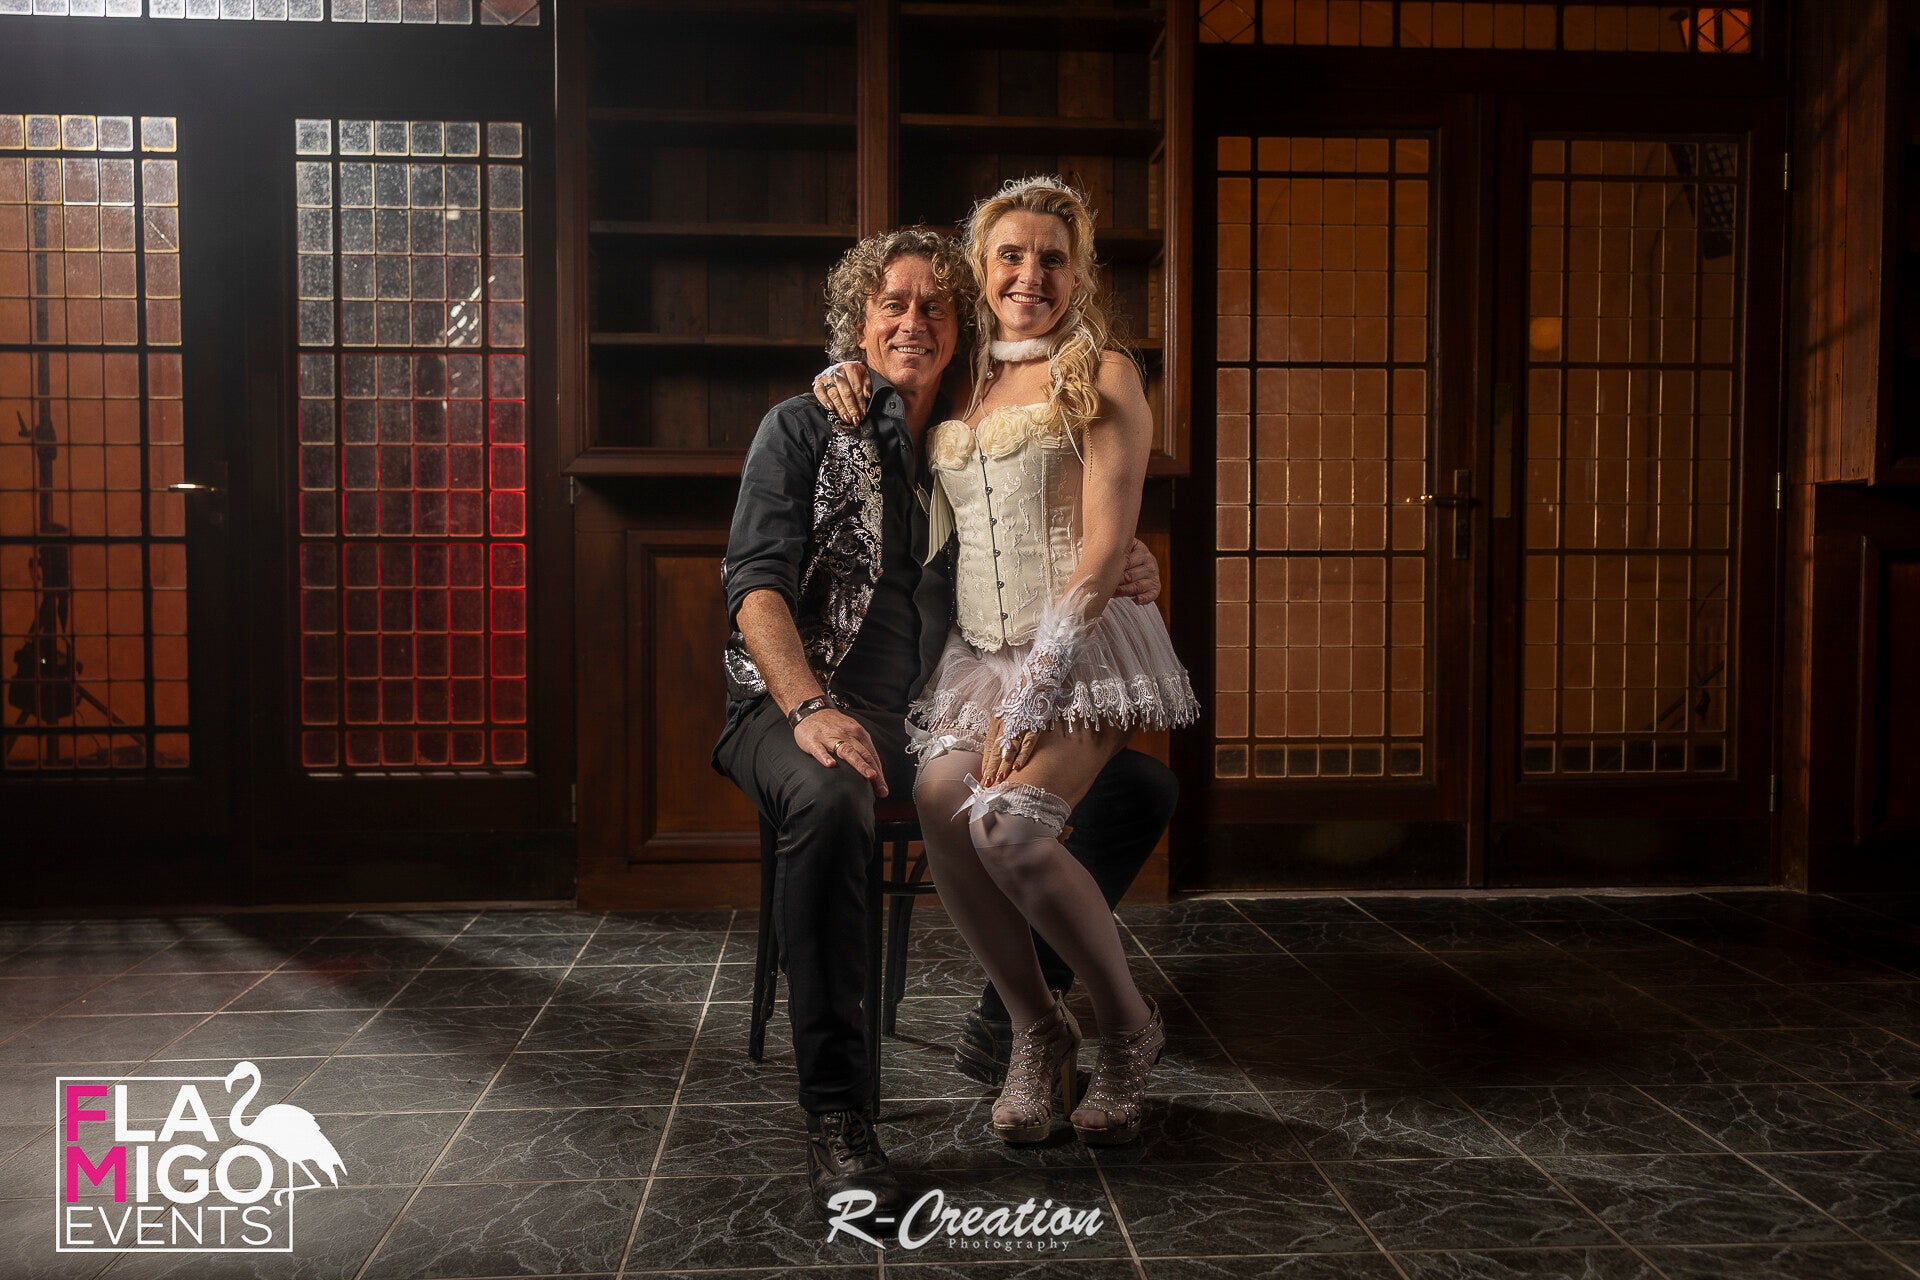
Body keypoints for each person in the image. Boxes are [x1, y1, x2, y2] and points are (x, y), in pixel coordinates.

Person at [712, 227, 1176, 1221]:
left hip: (921, 709)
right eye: (893, 305)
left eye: (934, 307)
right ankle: (839, 1114)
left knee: (1138, 784)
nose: (913, 322)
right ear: (859, 324)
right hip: (787, 703)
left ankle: (1017, 1016)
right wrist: (807, 705)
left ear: (963, 329)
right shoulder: (803, 427)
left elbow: (1052, 515)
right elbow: (752, 588)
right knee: (832, 796)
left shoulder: (956, 438)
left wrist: (1129, 558)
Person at [817, 177, 1198, 1148]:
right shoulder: (962, 378)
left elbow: (1104, 547)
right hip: (976, 646)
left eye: (1053, 258)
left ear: (1081, 273)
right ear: (980, 271)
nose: (1032, 275)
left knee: (1009, 826)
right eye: (1011, 256)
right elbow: (886, 397)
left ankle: (1128, 1028)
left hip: (1083, 639)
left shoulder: (1105, 371)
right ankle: (1037, 1027)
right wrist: (837, 376)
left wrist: (1037, 689)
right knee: (941, 797)